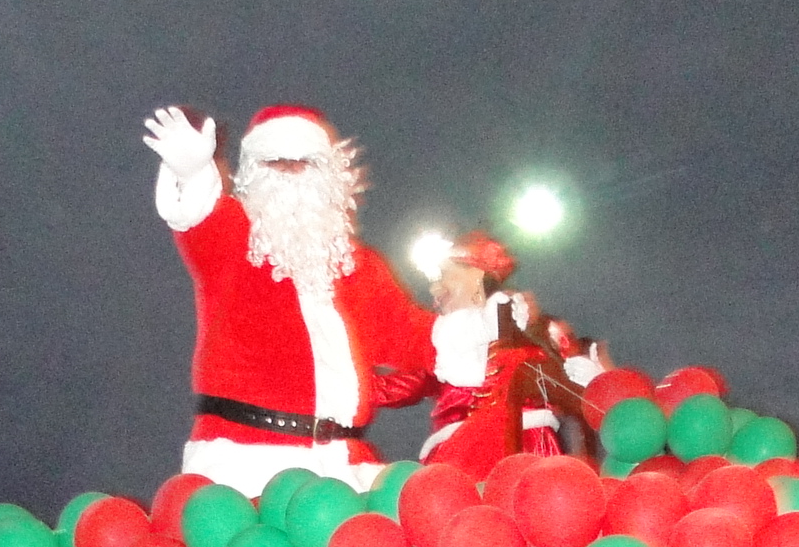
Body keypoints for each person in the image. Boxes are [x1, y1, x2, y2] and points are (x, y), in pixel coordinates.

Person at [143, 103, 432, 494]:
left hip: (343, 469)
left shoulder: (359, 266)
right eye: (276, 162)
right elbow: (199, 217)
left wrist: (485, 328)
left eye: (305, 162)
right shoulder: (231, 239)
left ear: (329, 174)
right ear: (254, 171)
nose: (291, 171)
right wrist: (193, 174)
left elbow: (410, 336)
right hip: (246, 466)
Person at [414, 231, 606, 473]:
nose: (434, 289)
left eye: (443, 276)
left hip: (529, 451)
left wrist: (593, 382)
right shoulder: (443, 344)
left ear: (476, 276)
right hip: (458, 458)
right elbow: (402, 385)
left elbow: (577, 395)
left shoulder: (537, 329)